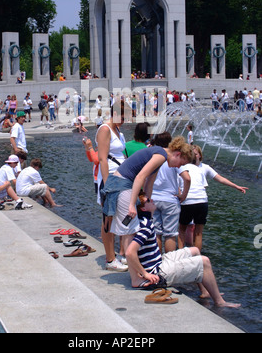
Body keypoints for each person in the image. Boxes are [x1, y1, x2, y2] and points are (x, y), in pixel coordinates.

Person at [125, 193, 241, 308]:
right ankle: (220, 302)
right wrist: (145, 274)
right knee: (204, 261)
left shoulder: (141, 220)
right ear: (144, 208)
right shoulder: (146, 225)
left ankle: (205, 291)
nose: (153, 200)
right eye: (149, 200)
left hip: (158, 262)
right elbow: (130, 252)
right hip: (157, 272)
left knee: (195, 250)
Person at [102, 136, 193, 258]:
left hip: (119, 183)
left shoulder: (160, 154)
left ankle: (124, 259)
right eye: (181, 163)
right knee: (130, 229)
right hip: (123, 185)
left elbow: (150, 182)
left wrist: (146, 201)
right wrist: (132, 204)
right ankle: (126, 262)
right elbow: (140, 177)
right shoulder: (161, 155)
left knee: (128, 226)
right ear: (177, 154)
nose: (178, 167)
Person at [178, 145, 248, 251]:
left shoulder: (181, 167)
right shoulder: (198, 169)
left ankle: (180, 255)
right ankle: (198, 258)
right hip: (202, 201)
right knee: (198, 233)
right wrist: (236, 186)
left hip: (188, 200)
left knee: (182, 230)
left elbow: (179, 184)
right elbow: (219, 179)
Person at [96, 100, 129, 272]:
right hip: (109, 179)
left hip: (121, 177)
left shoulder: (118, 131)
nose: (124, 121)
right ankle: (110, 259)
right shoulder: (105, 129)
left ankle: (115, 255)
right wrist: (108, 183)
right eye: (122, 117)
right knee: (107, 217)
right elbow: (102, 158)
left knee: (117, 215)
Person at [150, 132, 191, 253]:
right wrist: (184, 195)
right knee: (170, 234)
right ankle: (169, 264)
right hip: (170, 200)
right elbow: (187, 178)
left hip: (154, 198)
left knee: (156, 233)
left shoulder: (155, 154)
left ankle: (156, 261)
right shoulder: (174, 156)